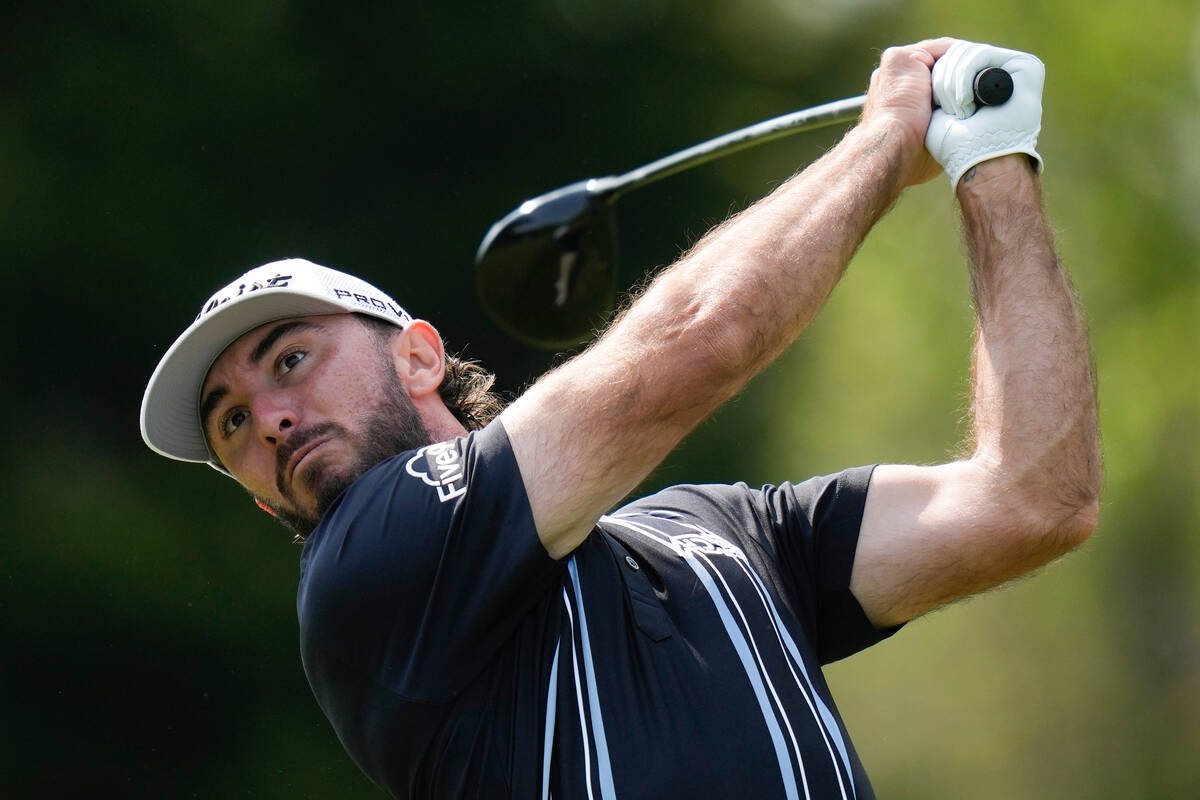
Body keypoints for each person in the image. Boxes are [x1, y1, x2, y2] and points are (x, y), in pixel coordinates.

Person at [140, 38, 1100, 800]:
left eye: (291, 361)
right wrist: (885, 140)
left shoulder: (721, 535)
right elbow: (696, 342)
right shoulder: (368, 571)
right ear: (264, 503)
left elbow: (1035, 498)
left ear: (419, 356)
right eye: (229, 424)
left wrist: (993, 158)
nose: (266, 418)